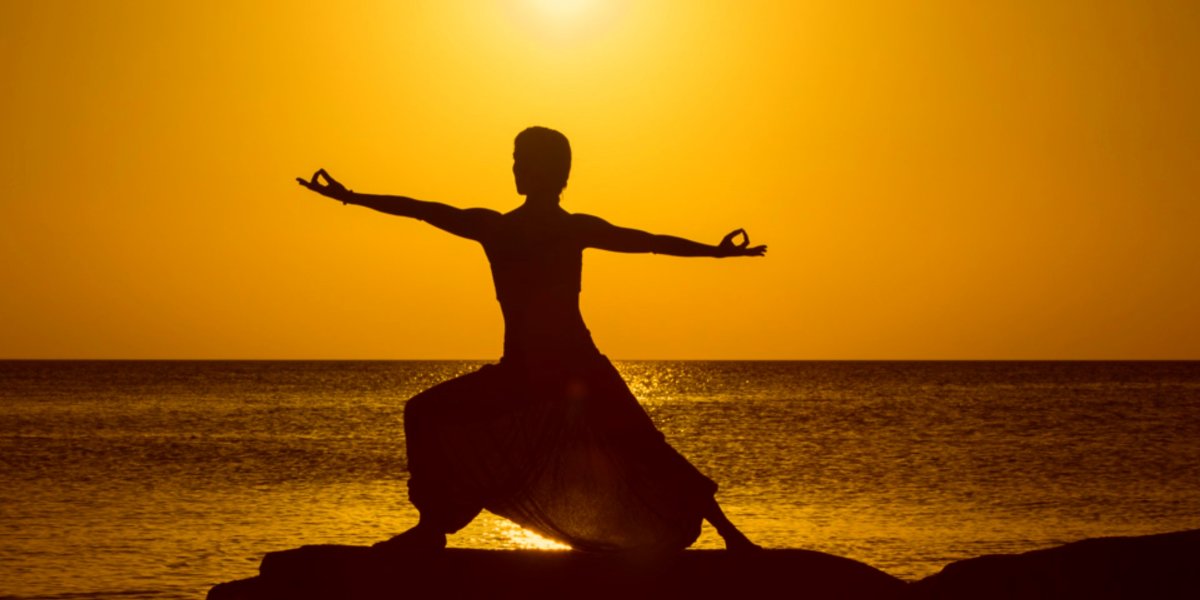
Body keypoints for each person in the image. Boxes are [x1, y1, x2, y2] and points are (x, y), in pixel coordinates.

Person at [297, 126, 766, 553]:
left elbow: (647, 240)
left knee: (644, 444)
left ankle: (731, 535)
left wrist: (715, 252)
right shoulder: (499, 227)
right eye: (515, 159)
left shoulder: (560, 228)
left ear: (552, 171)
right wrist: (351, 197)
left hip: (576, 367)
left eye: (524, 160)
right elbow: (423, 210)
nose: (516, 168)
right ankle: (431, 528)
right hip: (523, 371)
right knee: (423, 412)